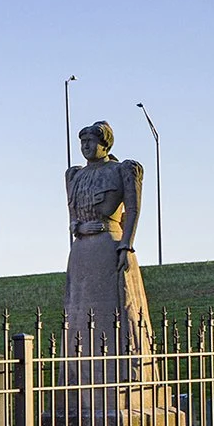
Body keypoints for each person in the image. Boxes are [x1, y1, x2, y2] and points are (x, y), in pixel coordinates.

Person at [64, 121, 153, 376]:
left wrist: (126, 245)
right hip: (82, 251)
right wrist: (79, 228)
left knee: (114, 314)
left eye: (91, 141)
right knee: (79, 315)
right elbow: (72, 216)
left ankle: (121, 371)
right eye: (82, 142)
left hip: (108, 247)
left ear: (105, 144)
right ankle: (82, 373)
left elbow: (133, 209)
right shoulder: (75, 175)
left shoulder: (122, 170)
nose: (86, 146)